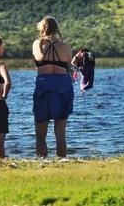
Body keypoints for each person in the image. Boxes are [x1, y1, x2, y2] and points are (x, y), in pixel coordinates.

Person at [32, 16, 74, 158]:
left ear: (42, 29)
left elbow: (36, 64)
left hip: (44, 85)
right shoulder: (66, 47)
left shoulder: (36, 45)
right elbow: (69, 69)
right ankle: (61, 162)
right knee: (60, 134)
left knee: (40, 135)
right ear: (56, 29)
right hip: (63, 86)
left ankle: (42, 162)